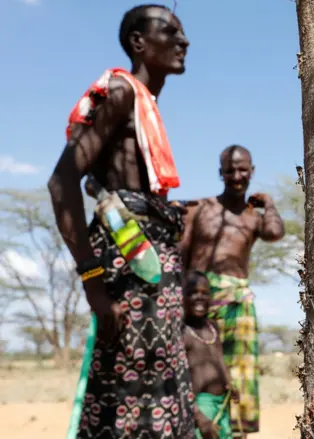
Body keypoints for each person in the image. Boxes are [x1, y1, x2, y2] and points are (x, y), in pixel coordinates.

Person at [47, 5, 205, 438]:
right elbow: (62, 182)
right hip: (126, 276)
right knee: (126, 393)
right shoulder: (120, 91)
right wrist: (94, 284)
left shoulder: (145, 105)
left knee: (158, 384)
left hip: (154, 279)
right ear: (138, 42)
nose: (183, 41)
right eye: (169, 31)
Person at [180, 145, 285, 437]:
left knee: (240, 373)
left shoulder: (254, 216)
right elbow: (182, 255)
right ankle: (197, 426)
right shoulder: (200, 208)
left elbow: (276, 233)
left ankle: (236, 432)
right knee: (196, 365)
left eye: (243, 170)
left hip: (239, 301)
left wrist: (269, 203)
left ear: (252, 172)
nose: (236, 176)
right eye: (230, 170)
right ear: (220, 173)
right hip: (201, 298)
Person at [183, 270, 240, 439]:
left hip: (222, 401)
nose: (199, 297)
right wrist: (198, 416)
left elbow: (219, 358)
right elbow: (180, 380)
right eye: (192, 293)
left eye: (205, 293)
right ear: (180, 296)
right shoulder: (181, 331)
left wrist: (229, 381)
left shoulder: (212, 327)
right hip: (200, 405)